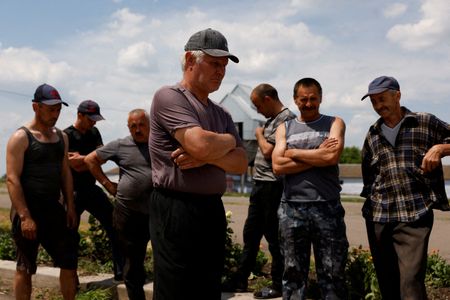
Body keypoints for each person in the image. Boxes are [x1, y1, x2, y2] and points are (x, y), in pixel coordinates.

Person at [149, 28, 248, 300]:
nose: (221, 71)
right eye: (215, 63)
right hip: (175, 209)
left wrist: (207, 152)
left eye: (224, 66)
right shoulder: (169, 97)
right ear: (190, 61)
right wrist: (224, 144)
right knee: (175, 289)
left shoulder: (221, 112)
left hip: (211, 210)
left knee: (207, 287)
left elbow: (241, 164)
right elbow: (201, 144)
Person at [360, 75, 450, 299]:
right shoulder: (372, 134)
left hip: (414, 214)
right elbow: (368, 177)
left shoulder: (424, 121)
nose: (379, 106)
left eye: (382, 99)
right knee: (387, 281)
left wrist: (440, 149)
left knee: (410, 281)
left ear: (397, 95)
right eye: (374, 102)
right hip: (379, 217)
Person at [272, 78, 349, 299]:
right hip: (291, 209)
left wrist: (292, 152)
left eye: (313, 98)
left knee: (333, 271)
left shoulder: (335, 123)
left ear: (321, 98)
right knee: (293, 273)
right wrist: (318, 154)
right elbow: (277, 165)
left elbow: (331, 155)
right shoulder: (284, 128)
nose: (308, 103)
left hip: (327, 207)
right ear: (295, 100)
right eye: (303, 99)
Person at [6, 83, 78, 300]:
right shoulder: (21, 137)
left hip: (53, 210)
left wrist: (70, 206)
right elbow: (12, 179)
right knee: (25, 267)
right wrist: (25, 216)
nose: (55, 114)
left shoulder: (61, 137)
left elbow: (65, 172)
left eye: (58, 109)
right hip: (28, 211)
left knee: (69, 261)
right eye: (50, 109)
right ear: (36, 107)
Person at [223, 84, 296, 299]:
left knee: (274, 237)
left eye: (257, 105)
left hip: (274, 186)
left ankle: (278, 284)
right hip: (260, 185)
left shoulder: (286, 118)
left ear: (267, 99)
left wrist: (259, 134)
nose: (256, 110)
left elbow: (268, 150)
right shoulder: (272, 121)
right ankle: (240, 279)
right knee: (251, 234)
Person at [84, 109, 152, 300]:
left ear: (149, 124)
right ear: (128, 128)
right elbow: (91, 160)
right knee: (133, 264)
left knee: (165, 261)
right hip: (128, 214)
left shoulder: (159, 143)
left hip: (157, 213)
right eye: (133, 126)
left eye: (141, 125)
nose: (138, 130)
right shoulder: (121, 145)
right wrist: (107, 184)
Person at [64, 100, 123, 281]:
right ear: (80, 115)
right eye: (91, 119)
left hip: (91, 188)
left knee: (115, 224)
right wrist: (91, 160)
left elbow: (102, 159)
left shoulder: (94, 132)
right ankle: (70, 275)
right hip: (72, 192)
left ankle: (120, 271)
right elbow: (74, 166)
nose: (94, 123)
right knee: (69, 232)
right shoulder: (67, 136)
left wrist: (84, 160)